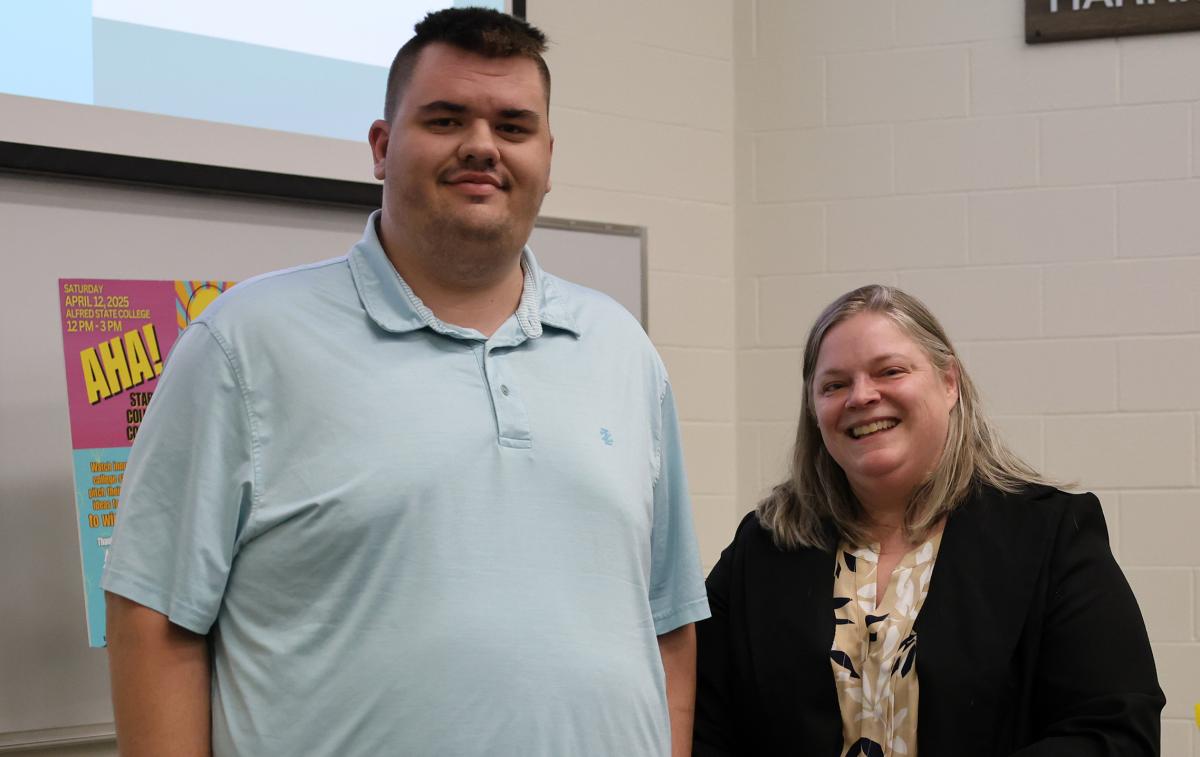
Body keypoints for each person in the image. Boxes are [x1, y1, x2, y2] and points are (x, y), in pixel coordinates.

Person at [101, 9, 709, 756]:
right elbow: (153, 621)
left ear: (548, 160)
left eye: (513, 127)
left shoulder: (623, 350)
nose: (482, 146)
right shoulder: (243, 345)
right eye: (447, 118)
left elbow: (668, 622)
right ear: (383, 148)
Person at [693, 285, 1164, 756]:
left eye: (890, 371)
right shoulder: (764, 546)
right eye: (834, 385)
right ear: (814, 411)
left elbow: (1116, 731)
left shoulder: (1050, 534)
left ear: (949, 383)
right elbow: (698, 719)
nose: (861, 396)